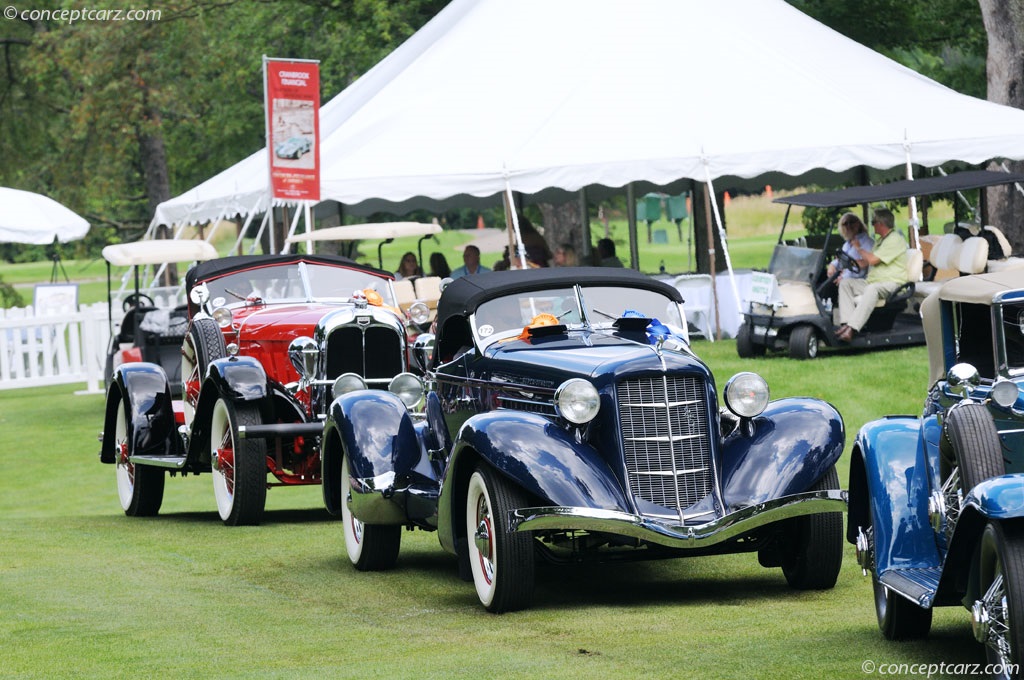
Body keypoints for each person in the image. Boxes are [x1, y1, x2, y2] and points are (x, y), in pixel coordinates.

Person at [836, 208, 908, 342]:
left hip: (893, 283)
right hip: (875, 282)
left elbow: (872, 260)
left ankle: (852, 328)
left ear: (881, 223)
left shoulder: (894, 239)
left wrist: (858, 248)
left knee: (872, 289)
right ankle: (846, 324)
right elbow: (867, 260)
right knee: (846, 283)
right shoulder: (880, 241)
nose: (872, 225)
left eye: (874, 222)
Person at [820, 212, 873, 304]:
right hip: (842, 275)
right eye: (845, 224)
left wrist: (843, 277)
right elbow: (841, 258)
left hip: (855, 279)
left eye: (851, 222)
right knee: (818, 276)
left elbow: (866, 263)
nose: (848, 226)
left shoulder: (867, 241)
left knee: (824, 289)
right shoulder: (848, 243)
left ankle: (826, 314)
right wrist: (832, 265)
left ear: (858, 223)